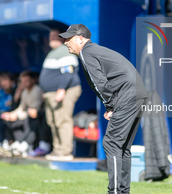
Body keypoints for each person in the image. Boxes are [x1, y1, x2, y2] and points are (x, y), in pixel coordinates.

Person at [59, 24, 148, 194]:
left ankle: (114, 191)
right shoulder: (94, 50)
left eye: (69, 38)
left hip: (127, 95)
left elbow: (99, 82)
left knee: (111, 142)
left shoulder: (87, 52)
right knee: (122, 146)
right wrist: (112, 104)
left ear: (80, 39)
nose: (65, 42)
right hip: (137, 93)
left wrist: (111, 105)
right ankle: (122, 191)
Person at [39, 29, 82, 161]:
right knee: (53, 121)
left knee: (62, 120)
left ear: (63, 38)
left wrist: (61, 89)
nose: (51, 38)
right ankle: (58, 150)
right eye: (50, 36)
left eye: (55, 36)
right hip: (51, 93)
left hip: (65, 91)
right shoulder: (54, 52)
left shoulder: (64, 50)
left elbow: (68, 72)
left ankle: (65, 152)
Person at [0, 71, 50, 156]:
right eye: (22, 81)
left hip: (39, 116)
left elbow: (34, 110)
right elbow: (21, 108)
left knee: (31, 120)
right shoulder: (25, 91)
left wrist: (17, 115)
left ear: (33, 81)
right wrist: (11, 114)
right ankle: (13, 143)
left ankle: (24, 145)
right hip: (28, 115)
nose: (24, 83)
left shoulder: (37, 90)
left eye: (26, 81)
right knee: (5, 118)